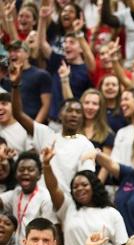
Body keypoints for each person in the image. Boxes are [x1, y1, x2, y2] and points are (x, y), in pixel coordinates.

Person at [10, 64, 96, 194]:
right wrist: (15, 86)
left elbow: (86, 179)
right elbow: (18, 114)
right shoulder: (46, 135)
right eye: (69, 110)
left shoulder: (86, 145)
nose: (73, 114)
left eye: (78, 112)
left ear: (82, 118)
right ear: (60, 115)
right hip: (41, 200)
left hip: (67, 203)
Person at [0, 151, 58, 241]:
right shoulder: (15, 193)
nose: (25, 172)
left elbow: (52, 231)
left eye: (30, 170)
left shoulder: (45, 197)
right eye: (21, 170)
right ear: (15, 174)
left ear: (39, 175)